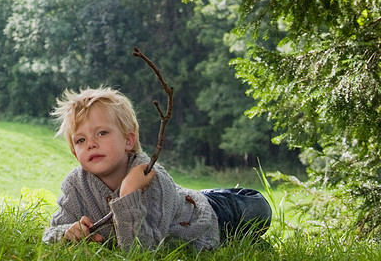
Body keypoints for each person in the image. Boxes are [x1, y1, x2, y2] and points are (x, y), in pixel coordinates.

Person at [43, 87, 272, 250]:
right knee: (248, 239)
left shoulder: (149, 177)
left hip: (208, 215)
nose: (91, 143)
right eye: (80, 140)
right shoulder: (76, 186)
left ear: (128, 141)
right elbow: (50, 234)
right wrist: (66, 234)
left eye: (102, 133)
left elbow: (143, 250)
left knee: (258, 208)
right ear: (75, 153)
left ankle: (215, 202)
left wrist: (129, 192)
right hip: (176, 204)